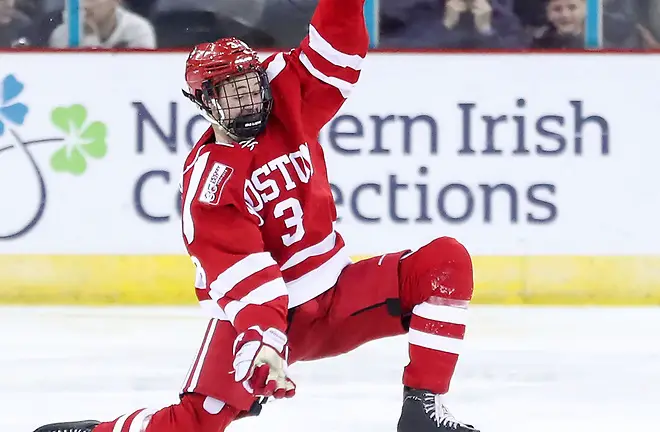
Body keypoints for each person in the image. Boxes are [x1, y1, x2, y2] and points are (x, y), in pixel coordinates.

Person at [31, 0, 479, 431]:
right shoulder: (211, 183)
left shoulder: (285, 97)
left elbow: (336, 45)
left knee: (444, 261)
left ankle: (423, 410)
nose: (248, 101)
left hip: (338, 294)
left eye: (251, 86)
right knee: (194, 425)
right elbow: (244, 273)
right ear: (205, 103)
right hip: (266, 321)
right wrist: (262, 343)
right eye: (232, 93)